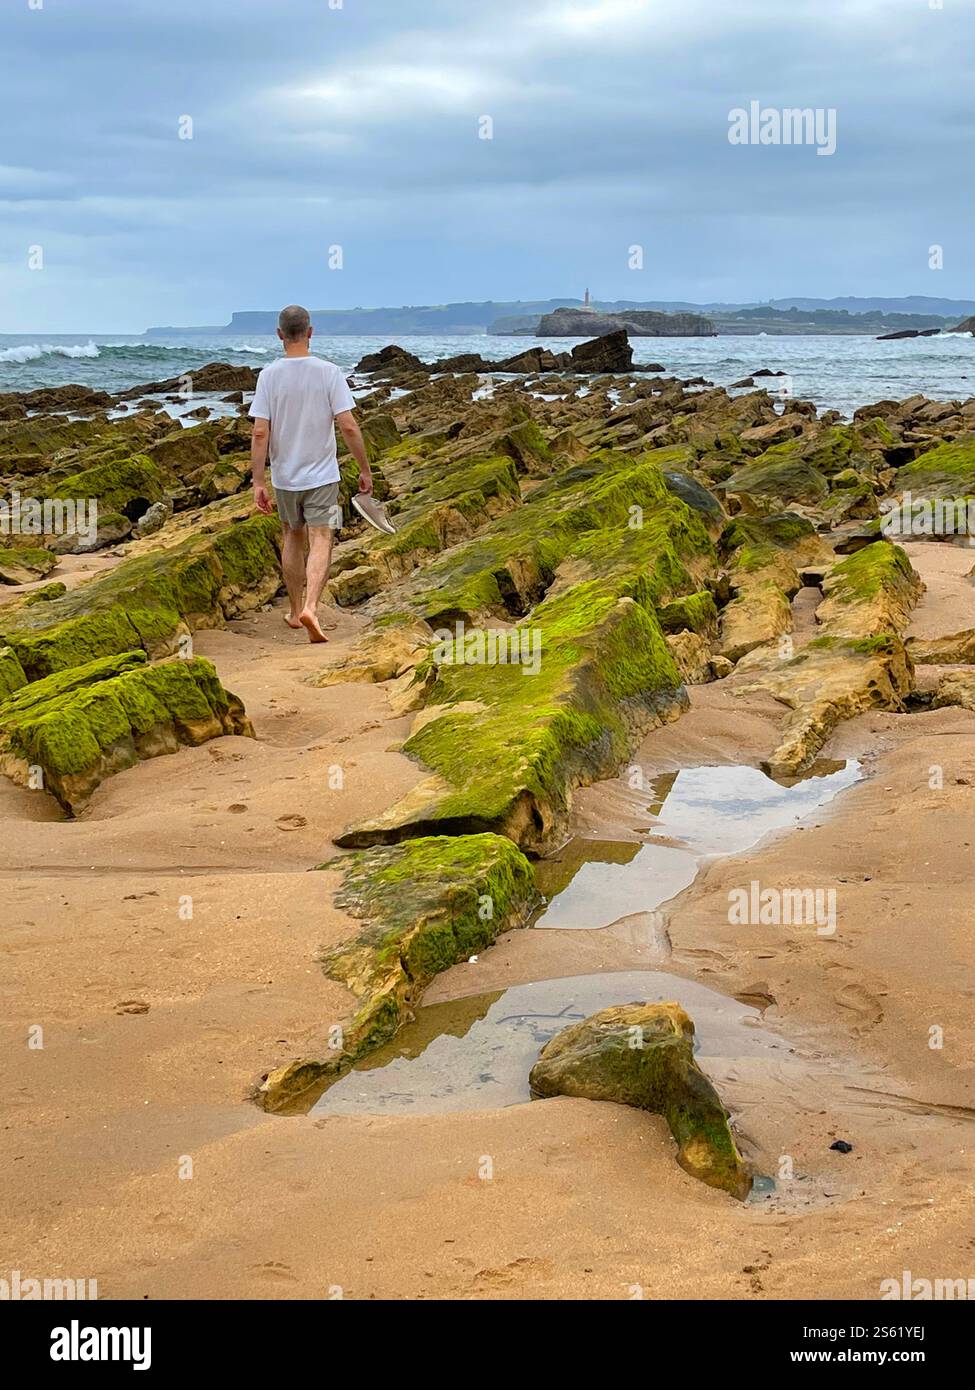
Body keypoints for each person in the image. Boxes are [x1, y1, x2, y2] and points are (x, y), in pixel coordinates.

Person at [249, 304, 373, 642]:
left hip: (285, 478)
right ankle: (312, 607)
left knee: (293, 536)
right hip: (323, 477)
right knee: (322, 537)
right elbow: (347, 425)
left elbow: (260, 432)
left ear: (279, 335)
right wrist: (365, 469)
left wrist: (258, 481)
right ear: (310, 332)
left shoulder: (269, 376)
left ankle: (293, 610)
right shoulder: (329, 372)